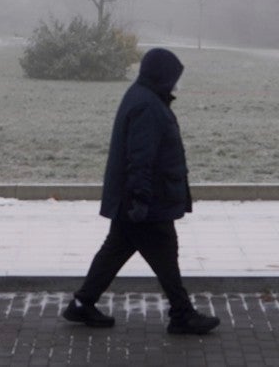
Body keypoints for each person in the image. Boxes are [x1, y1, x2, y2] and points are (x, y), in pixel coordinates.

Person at [63, 47, 220, 335]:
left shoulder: (144, 97)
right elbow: (140, 158)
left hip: (139, 199)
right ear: (162, 77)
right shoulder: (148, 106)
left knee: (116, 250)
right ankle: (182, 313)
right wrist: (140, 200)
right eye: (174, 77)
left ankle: (82, 303)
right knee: (165, 253)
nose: (177, 84)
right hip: (146, 201)